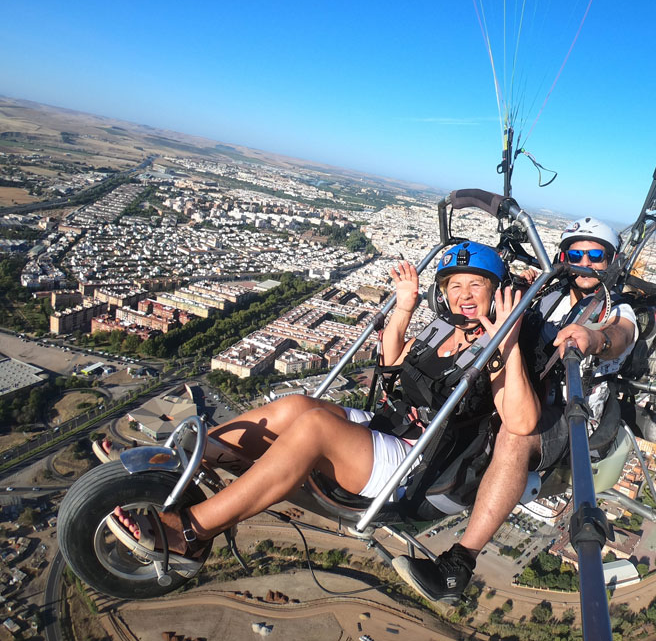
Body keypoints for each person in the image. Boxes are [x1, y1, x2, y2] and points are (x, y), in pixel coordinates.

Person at [103, 241, 539, 565]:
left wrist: (510, 337)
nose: (464, 294)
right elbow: (391, 366)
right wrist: (404, 306)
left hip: (415, 462)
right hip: (388, 425)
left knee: (313, 427)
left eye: (475, 285)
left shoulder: (498, 349)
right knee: (296, 406)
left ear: (494, 291)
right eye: (455, 285)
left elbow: (520, 421)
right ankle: (189, 458)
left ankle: (192, 532)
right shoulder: (446, 332)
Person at [393, 217, 638, 603]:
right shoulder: (550, 294)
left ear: (612, 260)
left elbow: (619, 337)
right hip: (531, 388)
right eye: (576, 253)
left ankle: (459, 565)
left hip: (568, 412)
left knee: (514, 434)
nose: (585, 262)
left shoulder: (617, 309)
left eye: (596, 255)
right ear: (562, 257)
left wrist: (593, 338)